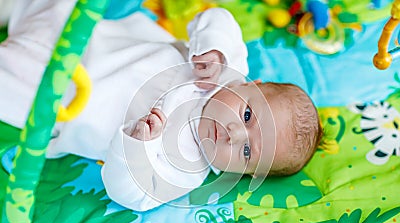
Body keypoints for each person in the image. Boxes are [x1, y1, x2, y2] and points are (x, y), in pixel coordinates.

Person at [0, 0, 322, 211]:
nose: (233, 135)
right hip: (81, 31)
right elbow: (216, 18)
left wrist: (135, 147)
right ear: (252, 85)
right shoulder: (224, 70)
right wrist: (214, 50)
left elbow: (133, 196)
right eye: (248, 116)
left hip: (53, 99)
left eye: (247, 152)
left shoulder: (186, 170)